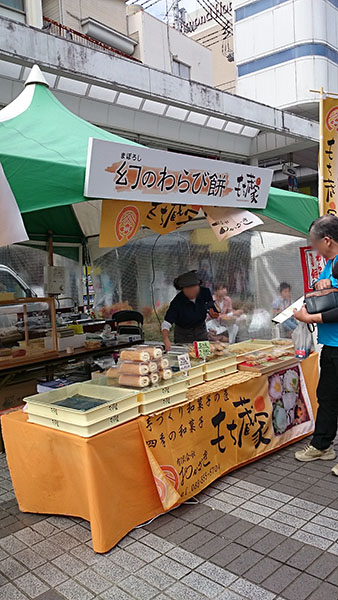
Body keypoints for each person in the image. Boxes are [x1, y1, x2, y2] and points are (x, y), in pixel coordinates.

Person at [293, 214, 338, 470]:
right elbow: (325, 293)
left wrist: (310, 317)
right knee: (327, 397)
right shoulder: (329, 263)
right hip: (331, 345)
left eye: (314, 242)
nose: (313, 247)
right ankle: (322, 446)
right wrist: (317, 284)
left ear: (327, 240)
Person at [161, 271, 218, 352]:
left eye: (195, 287)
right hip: (183, 335)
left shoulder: (205, 292)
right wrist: (166, 339)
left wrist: (213, 314)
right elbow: (166, 323)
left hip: (200, 332)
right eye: (189, 289)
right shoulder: (177, 302)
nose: (193, 291)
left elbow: (210, 307)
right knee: (186, 357)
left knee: (204, 356)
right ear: (183, 289)